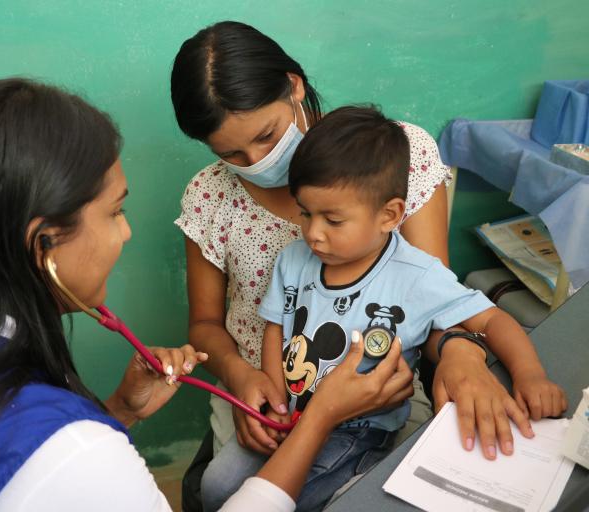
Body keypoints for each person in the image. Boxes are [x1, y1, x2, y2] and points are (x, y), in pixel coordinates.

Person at [0, 78, 415, 512]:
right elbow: (62, 464)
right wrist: (322, 418)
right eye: (115, 211)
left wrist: (116, 412)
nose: (127, 231)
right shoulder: (78, 453)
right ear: (44, 244)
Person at [170, 25, 534, 504]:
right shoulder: (211, 197)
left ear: (294, 86)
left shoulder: (395, 157)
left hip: (377, 398)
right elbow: (205, 325)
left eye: (266, 135)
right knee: (226, 490)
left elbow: (434, 302)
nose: (256, 160)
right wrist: (242, 376)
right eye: (231, 154)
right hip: (266, 391)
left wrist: (462, 354)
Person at [200, 106, 567, 511]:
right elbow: (275, 327)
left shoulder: (417, 275)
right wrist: (274, 399)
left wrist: (530, 375)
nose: (313, 234)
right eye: (305, 213)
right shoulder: (294, 260)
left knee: (301, 499)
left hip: (359, 427)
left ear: (389, 215)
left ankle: (367, 473)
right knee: (215, 487)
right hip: (290, 416)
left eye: (333, 220)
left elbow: (493, 319)